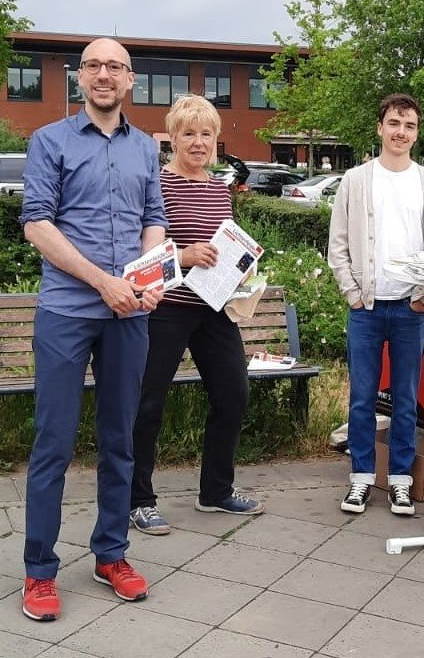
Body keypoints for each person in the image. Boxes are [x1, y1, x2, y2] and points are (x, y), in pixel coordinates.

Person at [20, 38, 168, 621]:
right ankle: (39, 570)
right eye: (93, 66)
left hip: (128, 314)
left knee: (119, 439)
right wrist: (103, 281)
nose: (104, 75)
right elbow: (37, 223)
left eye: (115, 67)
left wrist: (149, 277)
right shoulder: (49, 140)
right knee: (53, 443)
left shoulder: (145, 148)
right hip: (67, 311)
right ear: (79, 78)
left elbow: (152, 219)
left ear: (130, 80)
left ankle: (112, 554)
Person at [129, 95, 264, 537]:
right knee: (148, 403)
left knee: (233, 395)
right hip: (166, 308)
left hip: (214, 308)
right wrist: (184, 256)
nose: (198, 142)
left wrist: (242, 268)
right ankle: (139, 500)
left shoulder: (218, 188)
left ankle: (215, 491)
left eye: (206, 134)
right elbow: (144, 252)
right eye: (189, 133)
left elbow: (222, 244)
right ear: (173, 137)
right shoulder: (158, 184)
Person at [328, 93, 424, 515]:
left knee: (405, 398)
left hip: (408, 309)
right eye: (394, 123)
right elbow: (338, 244)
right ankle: (361, 478)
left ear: (417, 133)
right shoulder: (356, 181)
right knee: (362, 397)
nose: (401, 132)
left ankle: (400, 480)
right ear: (380, 127)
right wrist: (352, 293)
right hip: (366, 307)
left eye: (409, 125)